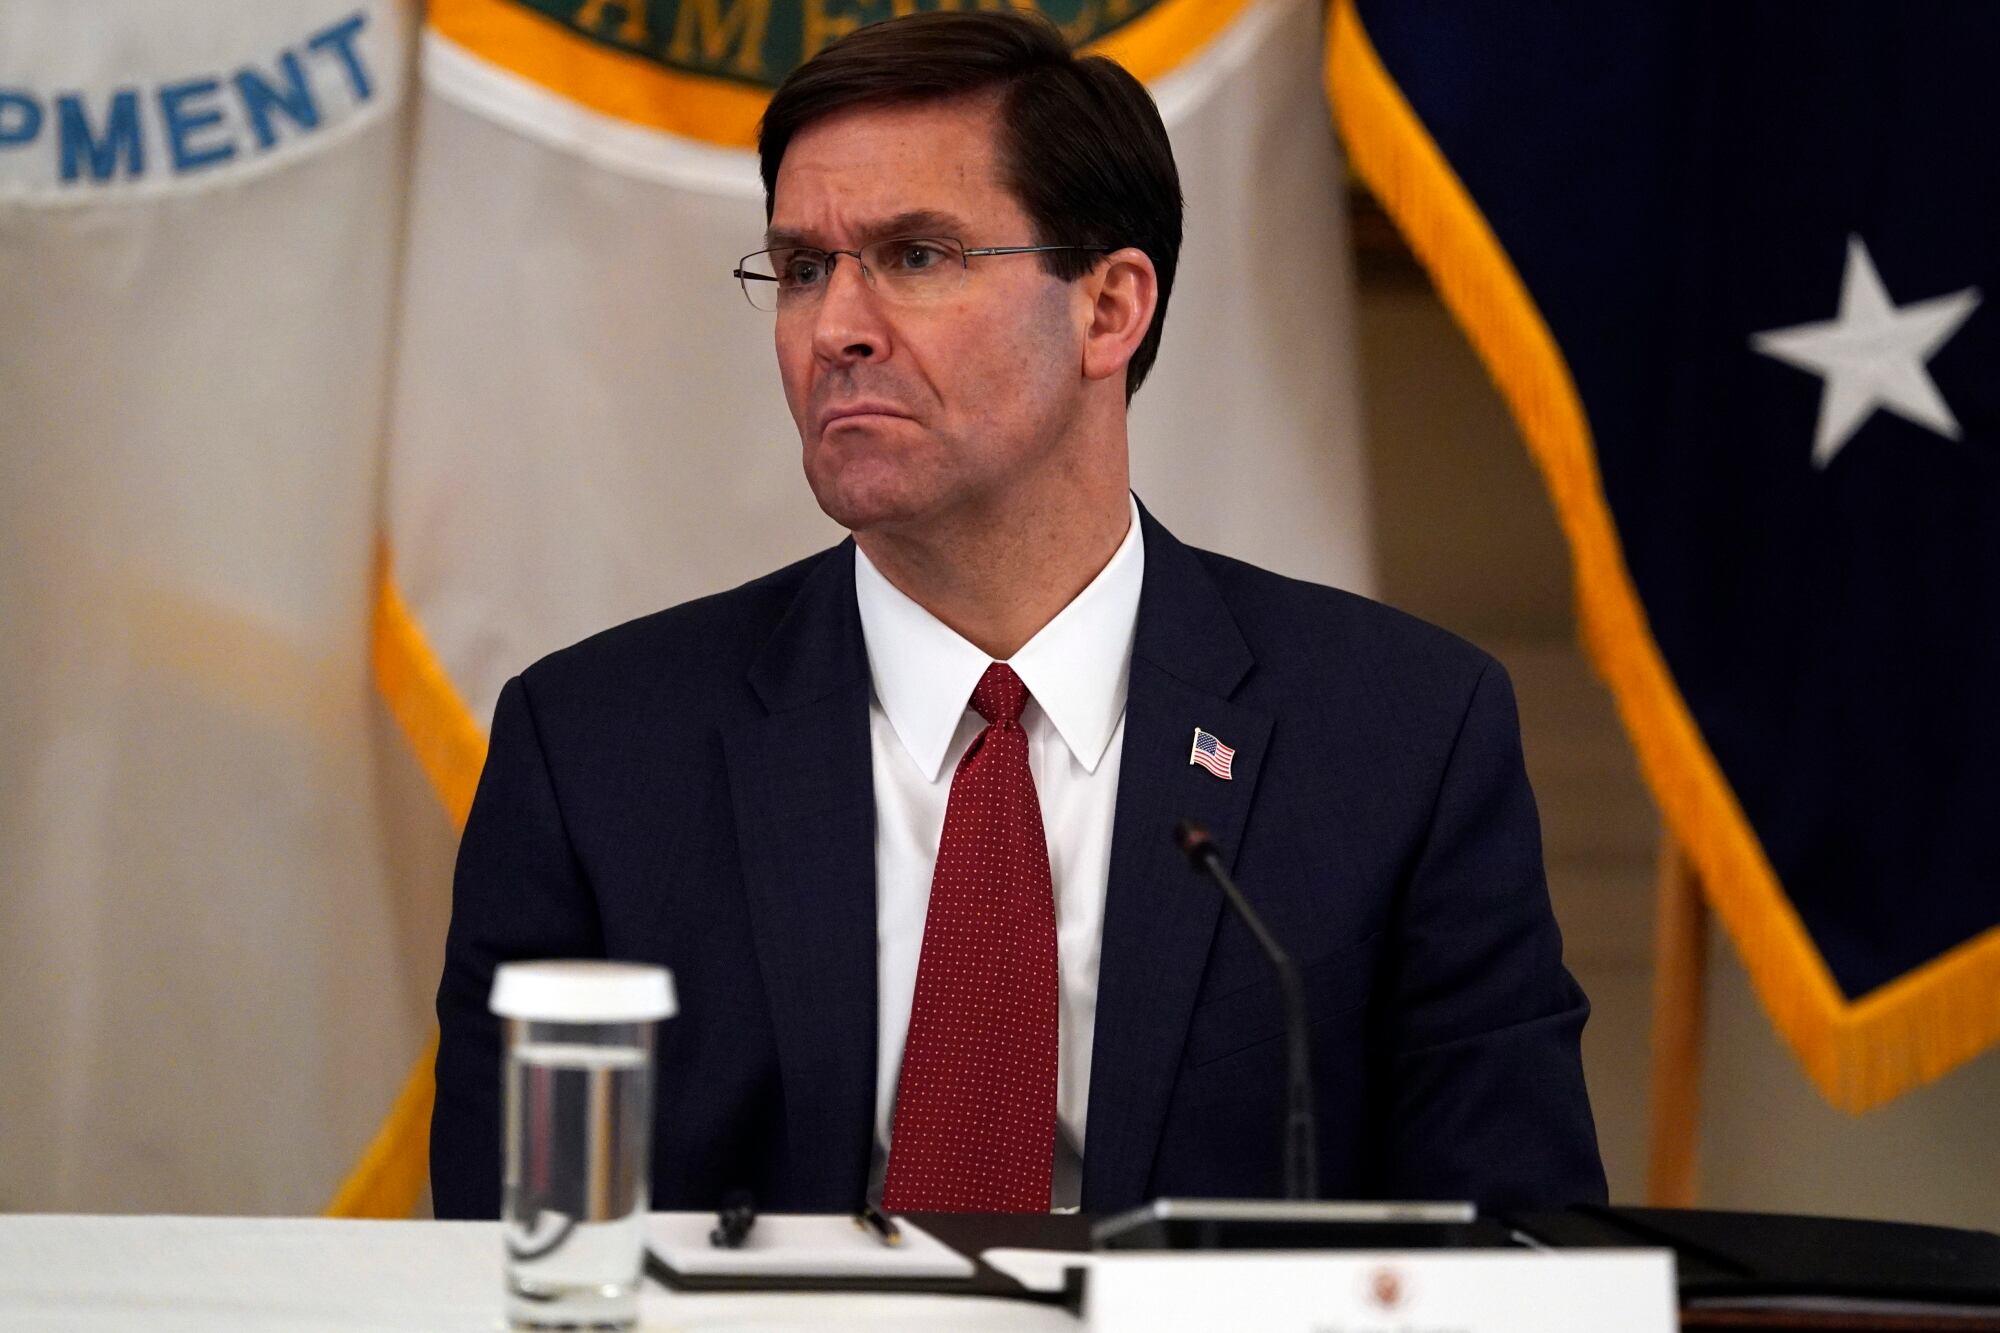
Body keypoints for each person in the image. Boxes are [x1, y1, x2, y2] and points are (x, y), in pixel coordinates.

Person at [431, 10, 1604, 1219]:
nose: (834, 327)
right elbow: (500, 1253)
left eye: (917, 255)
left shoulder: (1398, 737)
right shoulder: (597, 751)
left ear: (1108, 309)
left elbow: (1517, 1244)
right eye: (799, 269)